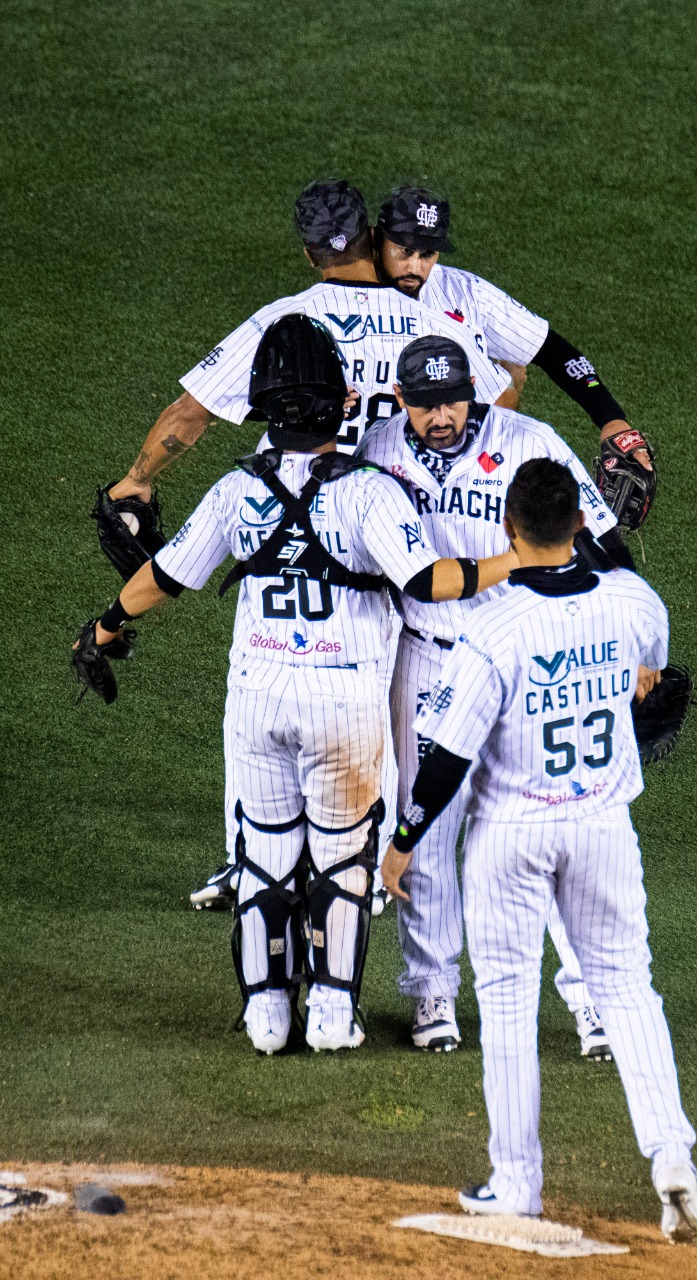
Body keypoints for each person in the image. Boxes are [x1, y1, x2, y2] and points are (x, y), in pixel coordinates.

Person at [75, 315, 517, 1056]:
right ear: (346, 401)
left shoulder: (233, 490)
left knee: (263, 857)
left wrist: (105, 626)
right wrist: (517, 561)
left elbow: (165, 576)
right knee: (343, 864)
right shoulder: (371, 493)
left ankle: (266, 1018)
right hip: (343, 702)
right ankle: (332, 1016)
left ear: (261, 407)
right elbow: (428, 581)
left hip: (256, 695)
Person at [96, 179, 515, 909]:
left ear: (308, 249)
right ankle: (367, 873)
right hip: (392, 524)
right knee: (371, 696)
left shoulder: (288, 316)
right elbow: (495, 394)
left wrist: (136, 480)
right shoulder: (423, 319)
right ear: (372, 242)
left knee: (256, 697)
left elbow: (189, 416)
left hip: (286, 516)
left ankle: (248, 864)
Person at [381, 458, 697, 1242]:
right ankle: (671, 1159)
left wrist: (402, 842)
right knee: (628, 990)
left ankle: (516, 1181)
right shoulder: (634, 602)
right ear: (581, 526)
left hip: (511, 836)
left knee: (505, 1001)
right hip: (601, 827)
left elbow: (446, 759)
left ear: (506, 529)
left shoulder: (491, 630)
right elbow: (648, 676)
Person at [356, 334, 633, 1058]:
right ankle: (432, 995)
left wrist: (632, 631)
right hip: (423, 658)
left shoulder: (526, 441)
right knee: (429, 833)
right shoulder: (377, 444)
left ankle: (593, 1004)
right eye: (422, 404)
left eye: (450, 400)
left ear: (474, 391)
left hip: (518, 660)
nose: (438, 416)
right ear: (402, 400)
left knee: (550, 823)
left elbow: (599, 539)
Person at [373, 185, 653, 471]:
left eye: (427, 254)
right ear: (377, 238)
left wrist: (611, 419)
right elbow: (501, 403)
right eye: (405, 251)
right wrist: (505, 382)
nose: (415, 267)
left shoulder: (463, 291)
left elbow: (554, 352)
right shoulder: (341, 304)